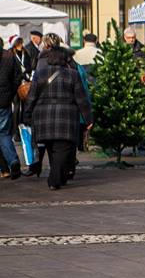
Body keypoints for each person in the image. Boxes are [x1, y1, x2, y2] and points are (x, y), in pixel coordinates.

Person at [22, 46, 92, 190]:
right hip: (65, 117)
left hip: (43, 117)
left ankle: (59, 176)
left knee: (52, 148)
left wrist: (27, 115)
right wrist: (88, 119)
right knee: (63, 148)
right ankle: (55, 179)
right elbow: (81, 99)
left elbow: (31, 97)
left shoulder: (39, 74)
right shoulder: (72, 75)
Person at [0, 45, 24, 180]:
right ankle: (12, 161)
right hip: (4, 100)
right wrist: (11, 93)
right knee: (3, 133)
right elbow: (18, 76)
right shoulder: (9, 56)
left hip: (4, 98)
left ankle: (6, 166)